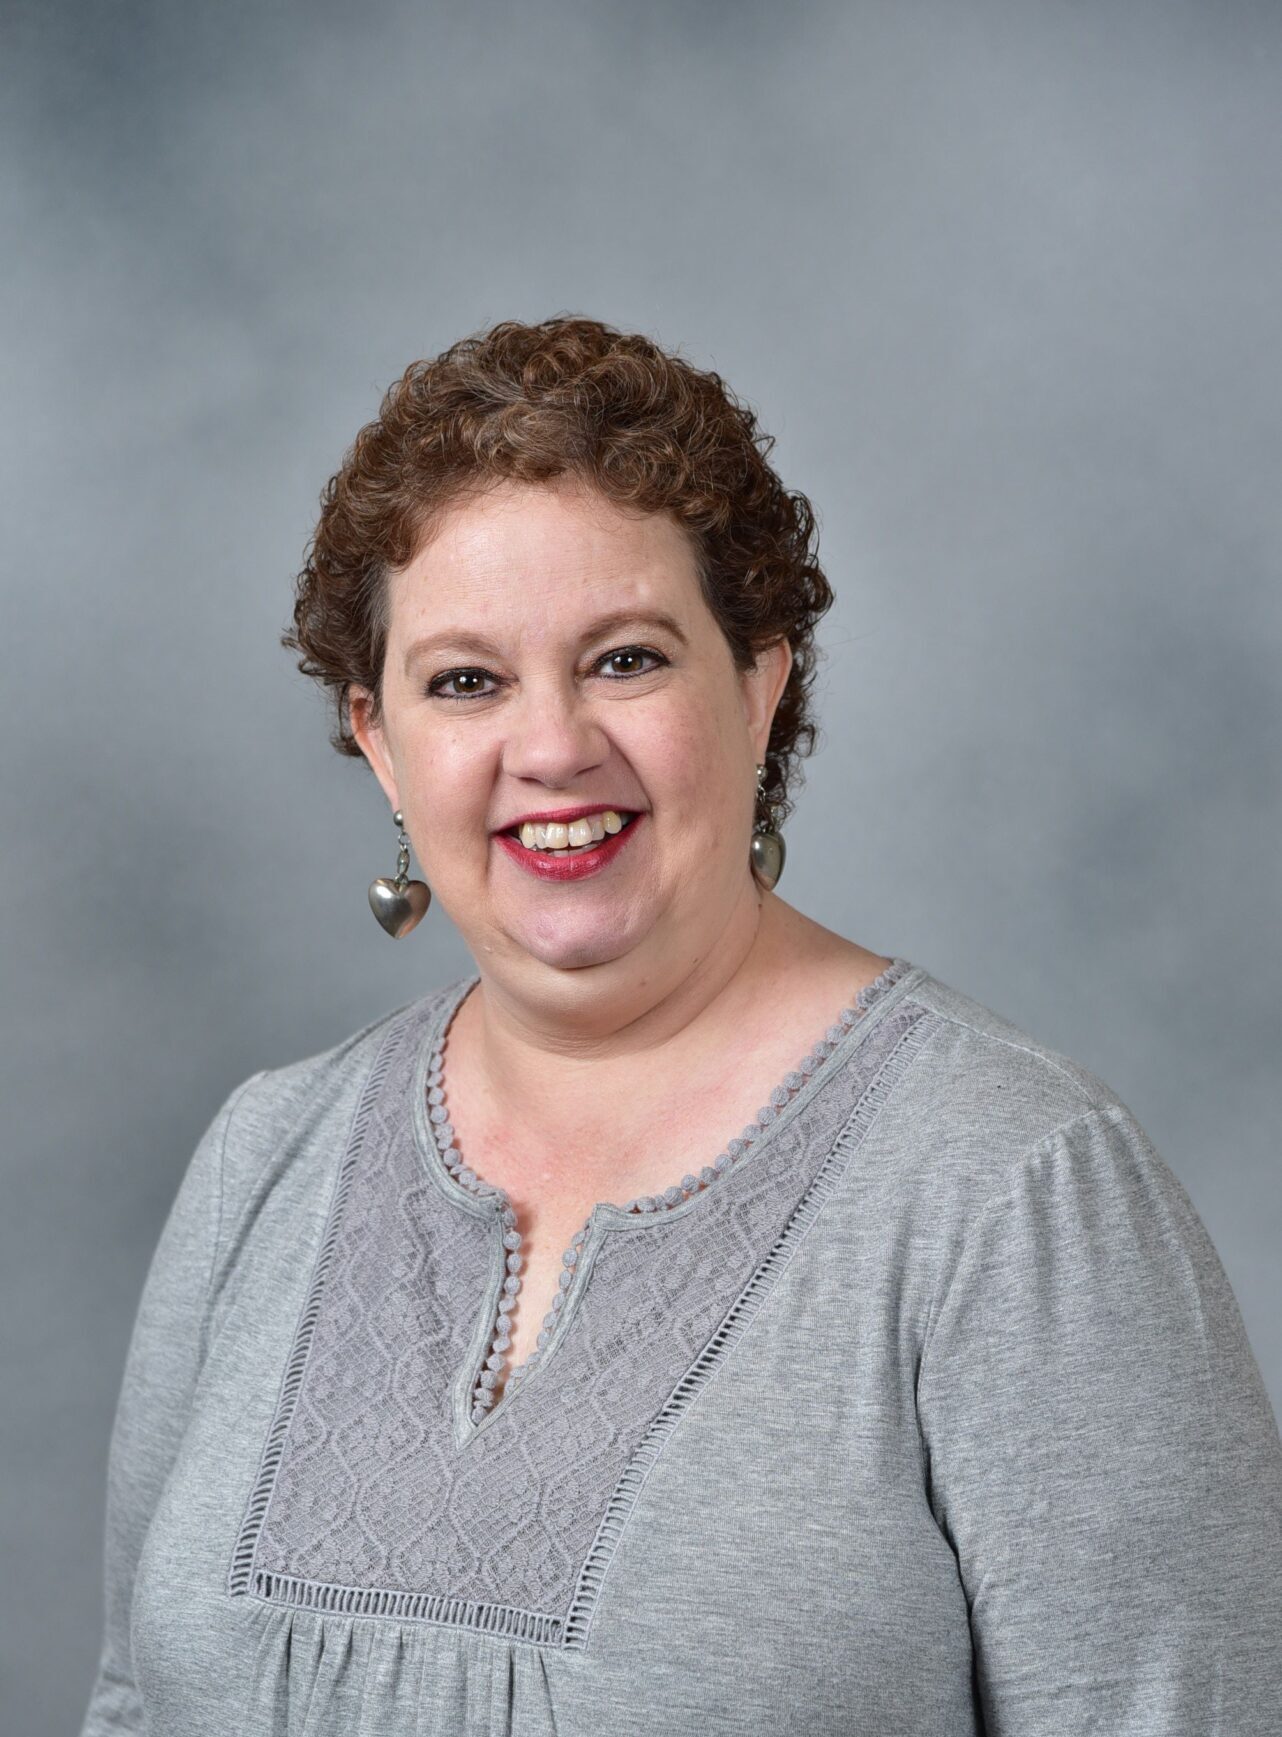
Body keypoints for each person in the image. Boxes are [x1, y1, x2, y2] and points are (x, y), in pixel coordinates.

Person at [80, 316, 1282, 1737]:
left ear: (760, 684)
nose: (551, 747)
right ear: (382, 740)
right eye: (465, 680)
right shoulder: (265, 1157)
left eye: (627, 659)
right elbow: (135, 1708)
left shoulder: (1016, 1190)